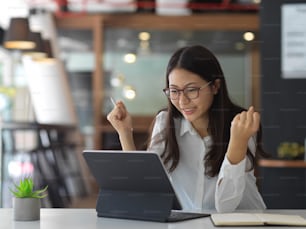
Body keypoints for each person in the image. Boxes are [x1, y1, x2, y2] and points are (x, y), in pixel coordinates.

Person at [107, 45, 267, 213]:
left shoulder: (240, 124)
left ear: (215, 86)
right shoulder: (166, 123)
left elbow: (225, 206)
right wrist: (124, 133)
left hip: (246, 222)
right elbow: (145, 189)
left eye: (192, 90)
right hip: (192, 223)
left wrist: (237, 142)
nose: (182, 101)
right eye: (174, 91)